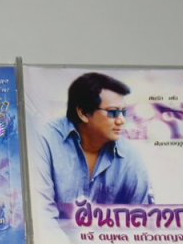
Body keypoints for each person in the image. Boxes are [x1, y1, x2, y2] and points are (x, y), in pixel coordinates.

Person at [33, 72, 152, 225]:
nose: (121, 120)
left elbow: (142, 219)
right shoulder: (44, 140)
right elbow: (41, 217)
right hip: (53, 239)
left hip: (111, 240)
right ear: (83, 113)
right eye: (113, 112)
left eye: (123, 112)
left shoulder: (129, 155)